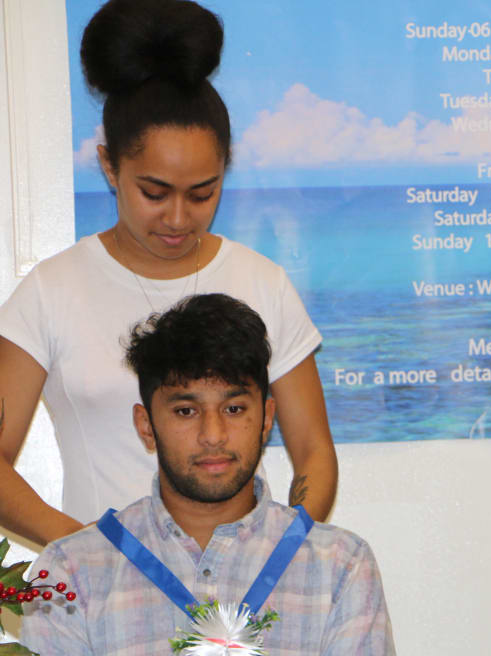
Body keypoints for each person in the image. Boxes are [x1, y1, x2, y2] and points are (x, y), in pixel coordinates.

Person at [0, 0, 336, 545]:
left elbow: (314, 451)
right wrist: (91, 553)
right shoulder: (51, 290)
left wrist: (283, 552)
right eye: (154, 192)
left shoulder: (263, 282)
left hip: (247, 601)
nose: (179, 218)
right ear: (110, 166)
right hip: (105, 606)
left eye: (202, 193)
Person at [21, 294, 394, 654]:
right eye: (186, 411)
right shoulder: (72, 570)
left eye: (233, 409)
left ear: (266, 420)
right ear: (146, 425)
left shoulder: (340, 565)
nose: (213, 435)